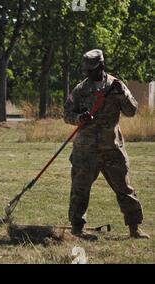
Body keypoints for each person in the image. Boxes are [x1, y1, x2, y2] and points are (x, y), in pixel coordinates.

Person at [64, 49, 150, 240]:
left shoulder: (116, 86)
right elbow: (67, 115)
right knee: (79, 189)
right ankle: (77, 228)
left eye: (91, 69)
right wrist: (79, 118)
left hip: (112, 148)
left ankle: (134, 228)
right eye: (86, 69)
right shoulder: (80, 89)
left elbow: (131, 111)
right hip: (85, 150)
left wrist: (123, 96)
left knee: (124, 189)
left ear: (101, 66)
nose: (87, 73)